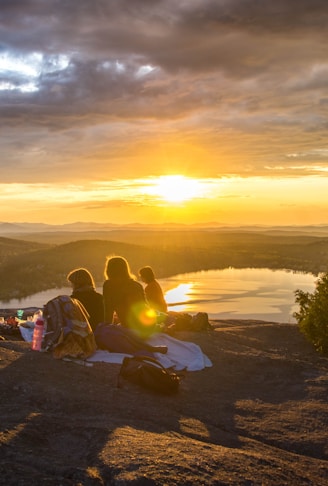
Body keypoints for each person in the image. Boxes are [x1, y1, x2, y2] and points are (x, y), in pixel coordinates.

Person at [103, 256, 158, 338]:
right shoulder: (137, 285)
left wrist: (106, 330)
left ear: (109, 270)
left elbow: (108, 312)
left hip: (132, 329)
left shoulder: (109, 285)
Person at [67, 267, 104, 332]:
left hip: (81, 337)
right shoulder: (100, 298)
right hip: (100, 335)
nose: (71, 287)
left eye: (72, 284)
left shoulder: (73, 300)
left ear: (76, 284)